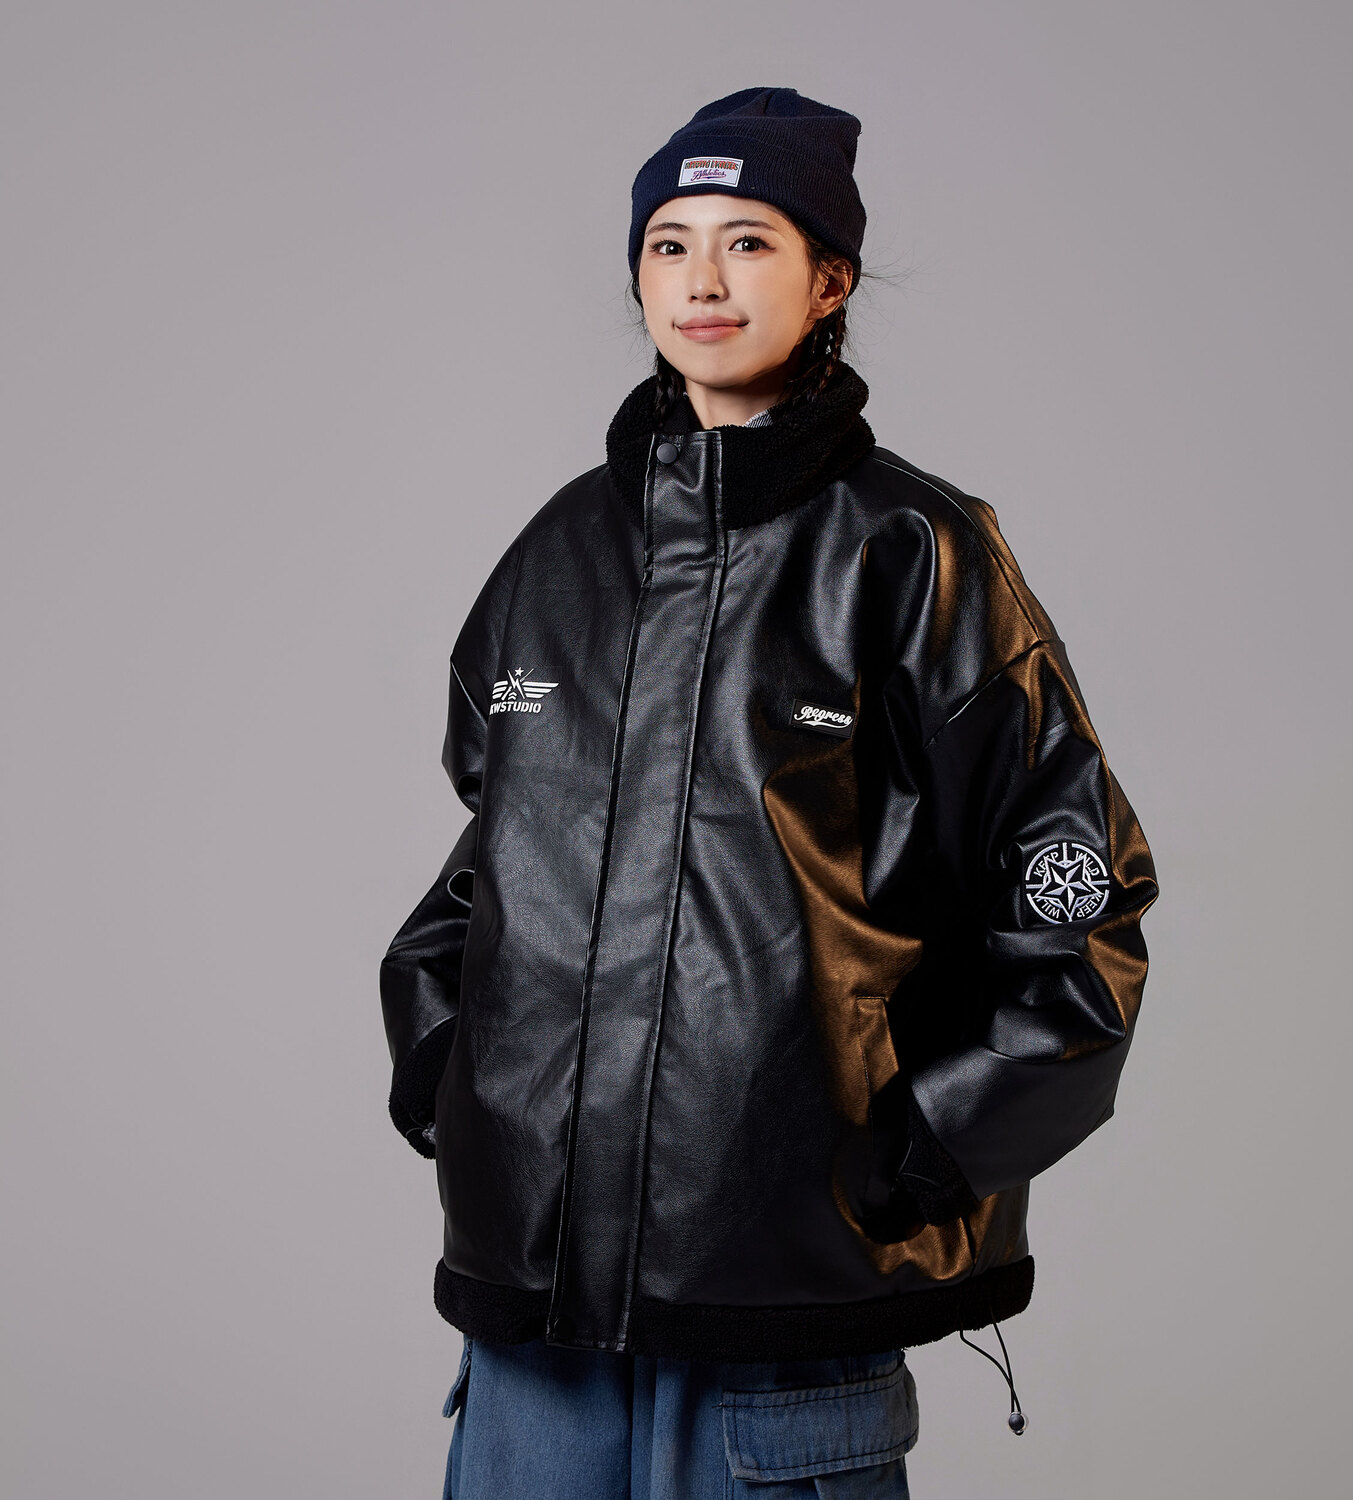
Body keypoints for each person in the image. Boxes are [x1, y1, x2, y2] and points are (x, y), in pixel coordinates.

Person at [380, 86, 1158, 1499]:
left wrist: (931, 1149)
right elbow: (490, 861)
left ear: (831, 279)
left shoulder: (916, 554)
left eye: (749, 241)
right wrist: (451, 1065)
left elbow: (1075, 894)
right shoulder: (556, 555)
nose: (704, 280)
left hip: (787, 1323)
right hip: (532, 1327)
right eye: (669, 244)